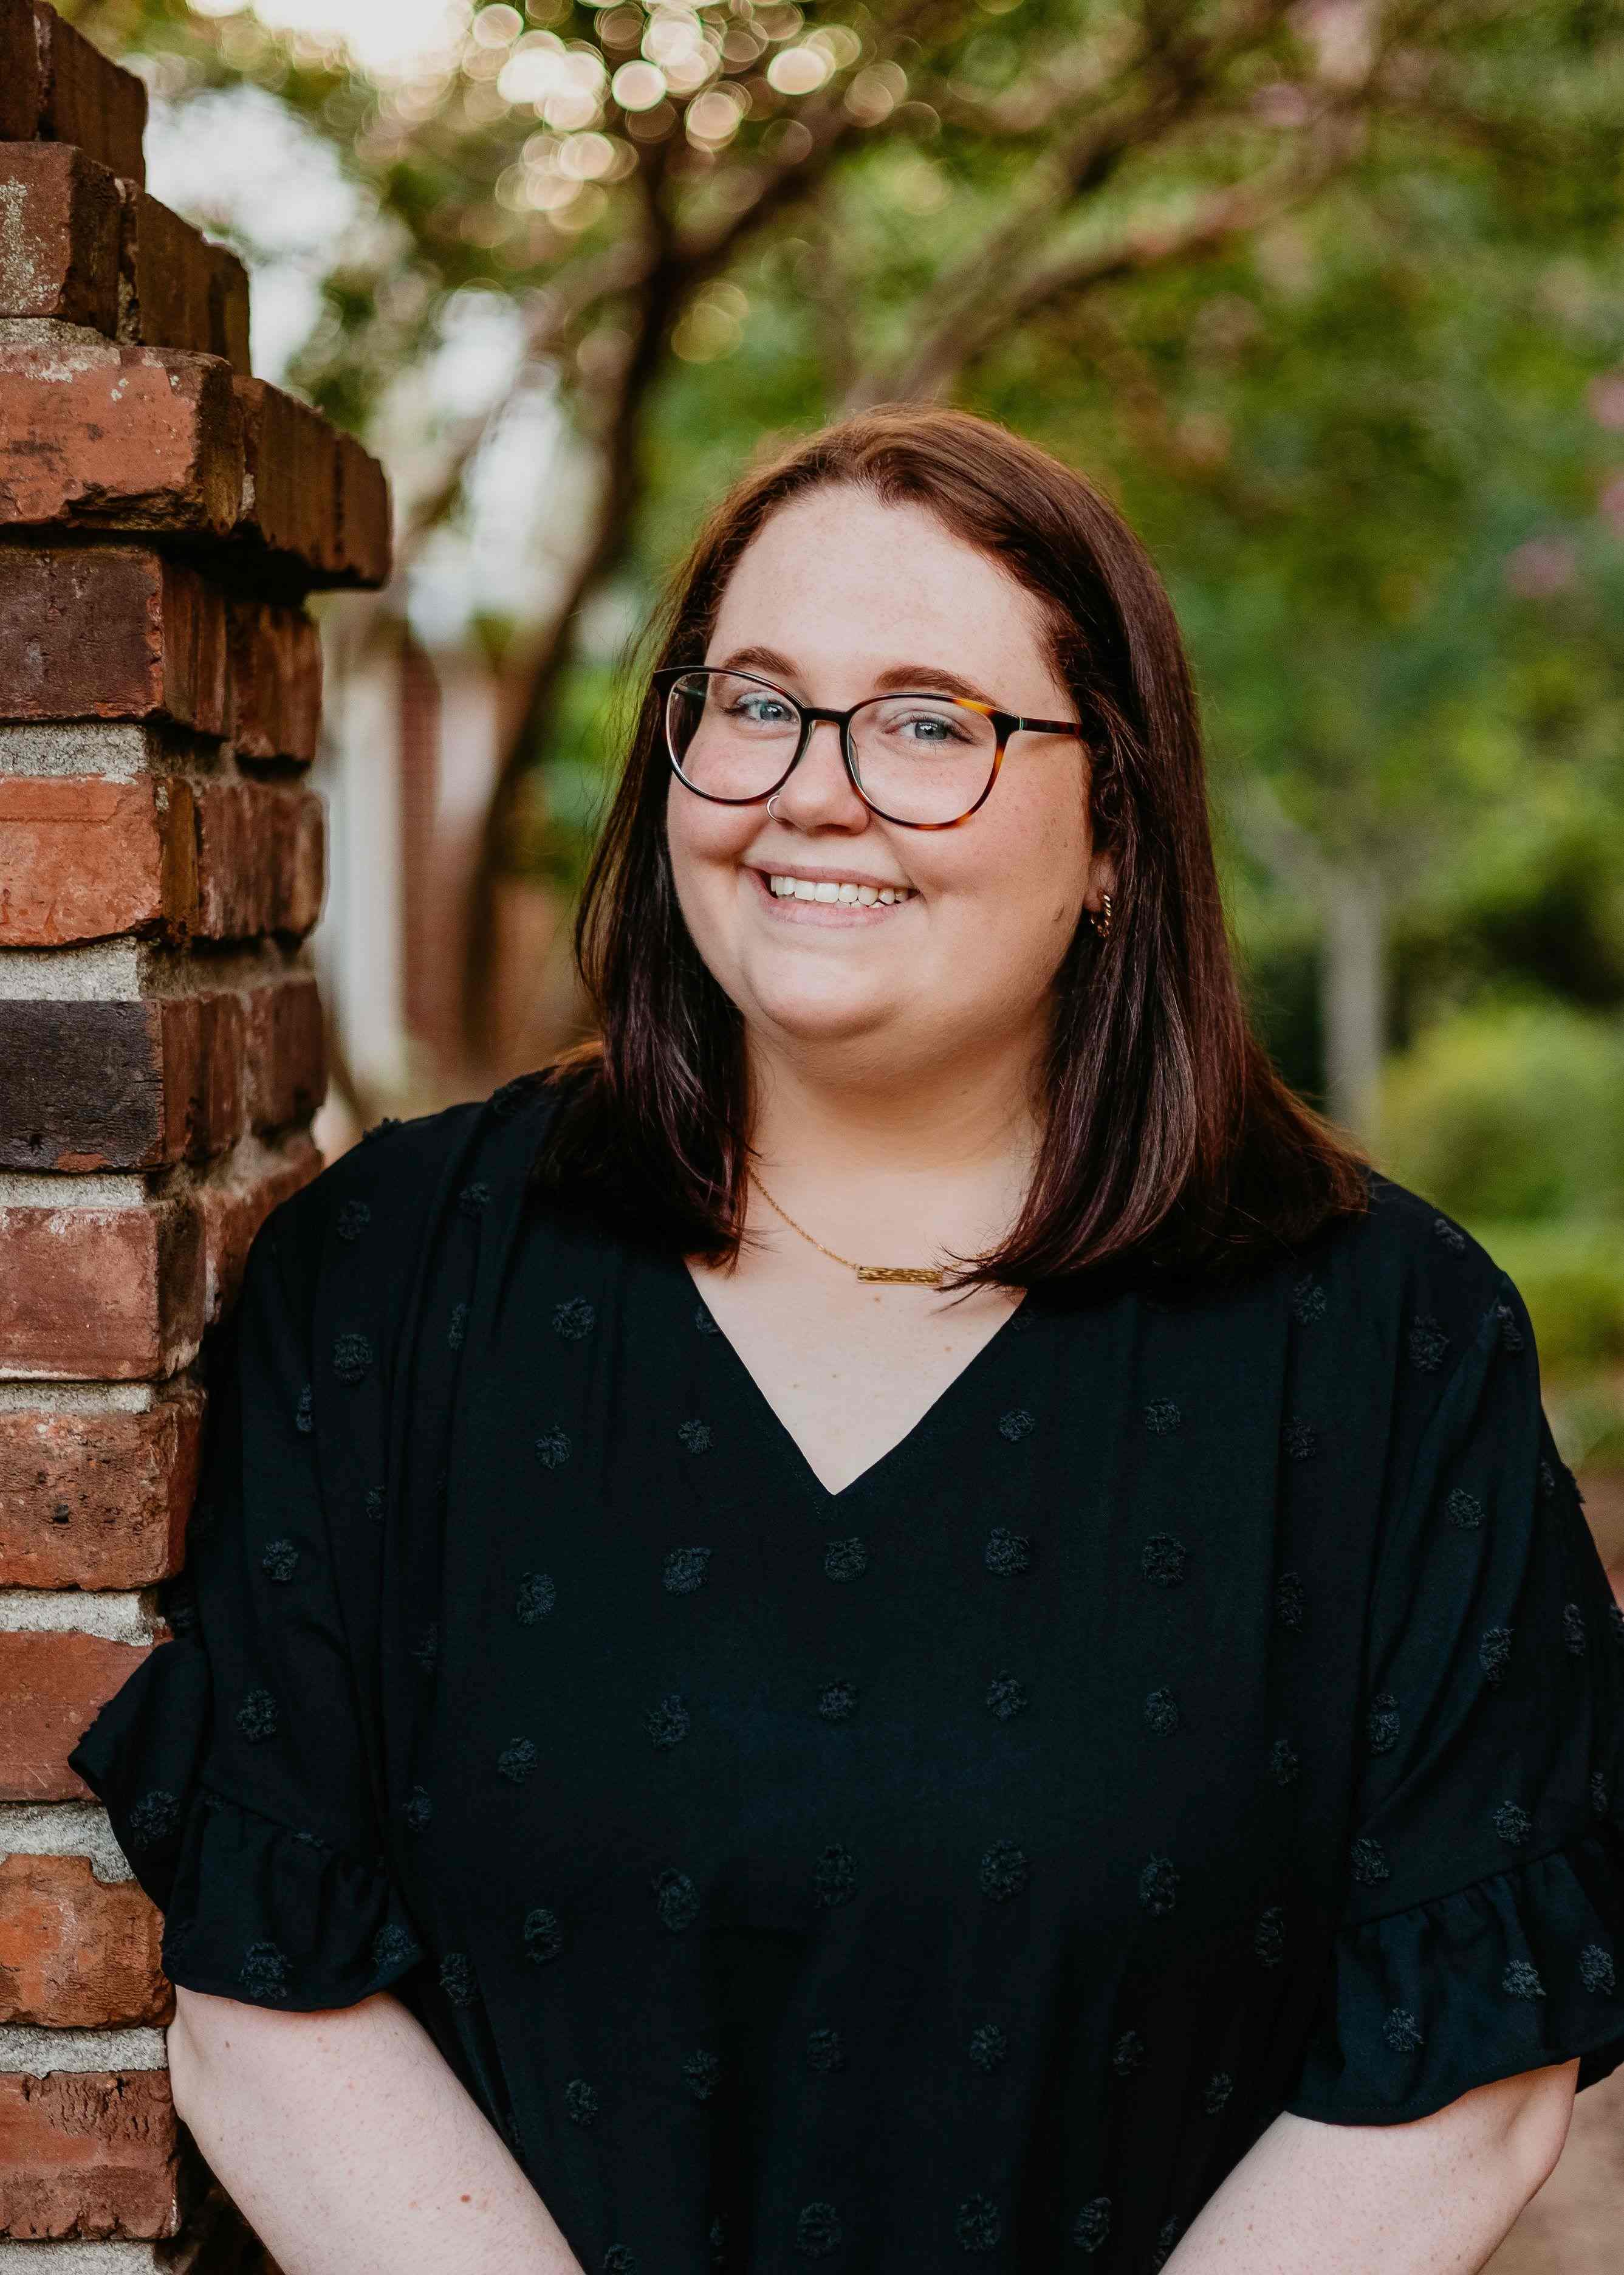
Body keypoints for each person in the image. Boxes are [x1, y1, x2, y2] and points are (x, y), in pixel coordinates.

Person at [70, 407, 1624, 2274]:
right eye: (754, 703)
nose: (811, 788)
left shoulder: (1382, 1347)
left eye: (928, 723)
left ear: (1114, 827)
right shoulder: (399, 1278)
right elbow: (269, 1977)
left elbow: (1455, 2067)